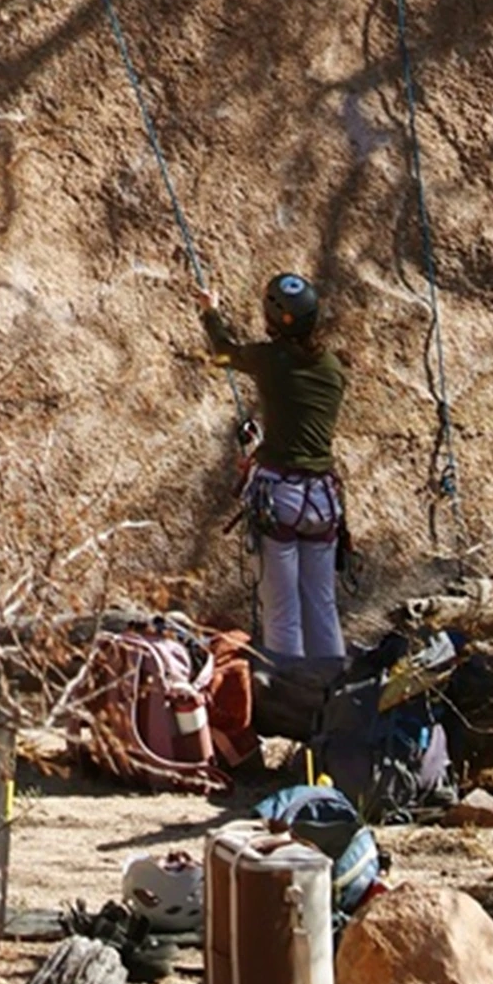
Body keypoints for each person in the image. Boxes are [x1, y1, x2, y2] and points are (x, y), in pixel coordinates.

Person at [201, 270, 348, 680]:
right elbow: (300, 426)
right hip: (322, 500)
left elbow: (222, 354)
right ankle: (333, 694)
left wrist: (210, 312)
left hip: (279, 498)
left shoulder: (270, 361)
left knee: (282, 610)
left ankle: (291, 697)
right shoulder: (334, 368)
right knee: (322, 604)